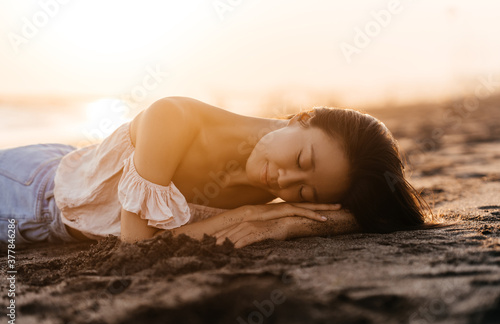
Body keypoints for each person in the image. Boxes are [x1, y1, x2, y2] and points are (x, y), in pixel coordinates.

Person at [0, 96, 435, 248]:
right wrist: (249, 218)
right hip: (28, 193)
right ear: (301, 117)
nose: (284, 183)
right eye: (301, 162)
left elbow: (360, 215)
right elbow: (136, 248)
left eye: (303, 193)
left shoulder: (277, 181)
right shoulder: (173, 119)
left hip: (66, 172)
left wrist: (289, 225)